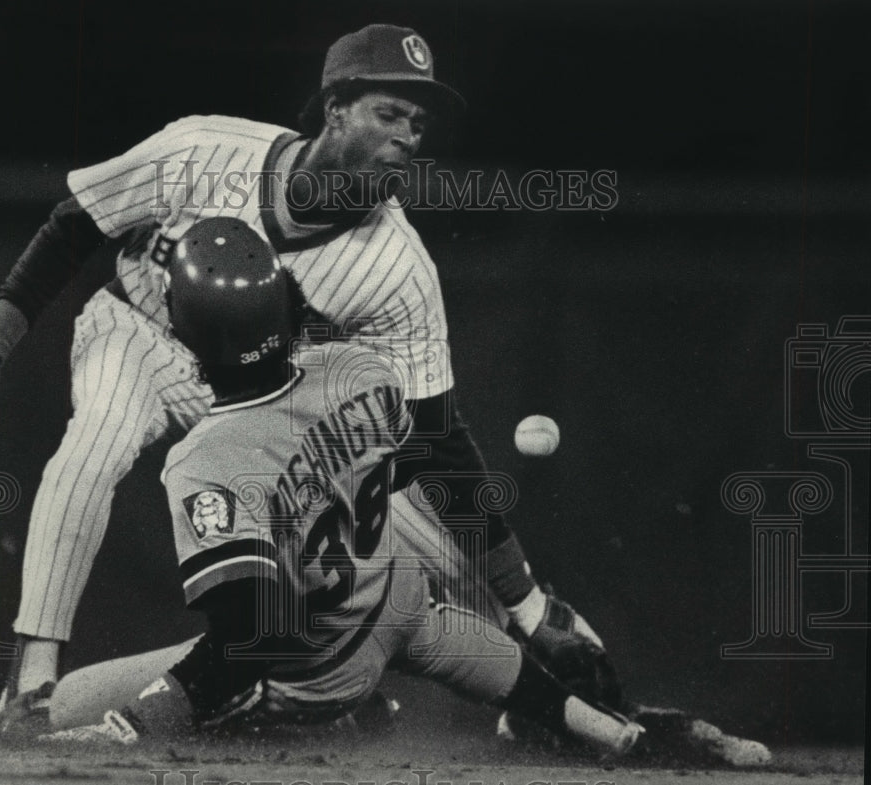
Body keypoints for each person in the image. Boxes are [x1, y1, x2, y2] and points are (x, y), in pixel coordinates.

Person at [0, 23, 608, 728]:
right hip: (137, 332)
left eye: (417, 121)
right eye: (388, 112)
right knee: (94, 443)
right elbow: (75, 224)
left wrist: (523, 602)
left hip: (260, 389)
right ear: (335, 108)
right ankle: (31, 680)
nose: (408, 135)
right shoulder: (204, 148)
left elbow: (436, 437)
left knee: (418, 532)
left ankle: (545, 658)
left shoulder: (397, 267)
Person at [36, 217, 643, 756]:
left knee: (66, 704)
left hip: (316, 673)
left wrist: (144, 719)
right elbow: (413, 465)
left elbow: (253, 635)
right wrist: (530, 611)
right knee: (466, 647)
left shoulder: (203, 461)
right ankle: (598, 725)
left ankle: (327, 723)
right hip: (405, 606)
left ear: (185, 333)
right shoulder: (357, 369)